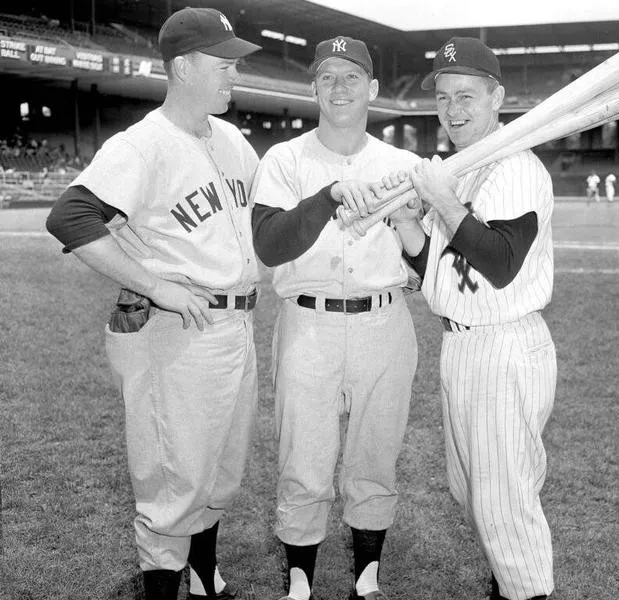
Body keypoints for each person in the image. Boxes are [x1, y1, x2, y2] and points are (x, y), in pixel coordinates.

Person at [45, 8, 262, 600]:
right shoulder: (142, 144)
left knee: (220, 472)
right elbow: (69, 216)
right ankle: (165, 587)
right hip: (178, 330)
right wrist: (156, 284)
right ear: (185, 67)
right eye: (223, 64)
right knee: (175, 482)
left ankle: (202, 580)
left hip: (235, 324)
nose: (233, 74)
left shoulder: (233, 139)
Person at [387, 37, 557, 600]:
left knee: (503, 501)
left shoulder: (516, 167)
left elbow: (501, 263)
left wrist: (444, 200)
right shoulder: (463, 170)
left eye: (467, 95)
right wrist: (409, 225)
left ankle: (524, 590)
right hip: (462, 344)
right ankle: (506, 580)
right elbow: (445, 273)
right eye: (442, 97)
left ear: (497, 97)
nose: (453, 109)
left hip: (503, 344)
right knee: (475, 492)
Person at [250, 35, 419, 600]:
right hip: (308, 322)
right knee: (304, 455)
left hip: (384, 320)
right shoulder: (284, 159)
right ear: (313, 87)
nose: (340, 87)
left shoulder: (404, 163)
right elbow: (271, 246)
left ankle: (367, 577)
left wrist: (414, 222)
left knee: (376, 451)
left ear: (372, 88)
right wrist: (326, 197)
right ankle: (299, 579)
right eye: (328, 77)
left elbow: (427, 259)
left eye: (352, 76)